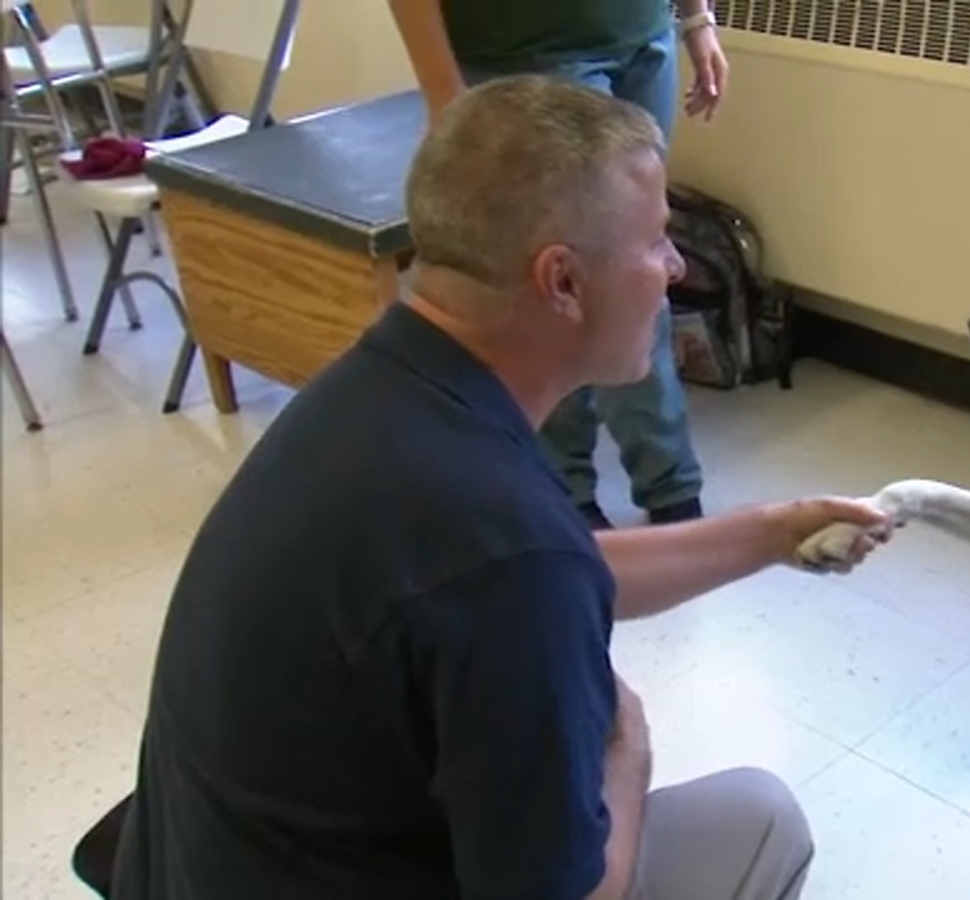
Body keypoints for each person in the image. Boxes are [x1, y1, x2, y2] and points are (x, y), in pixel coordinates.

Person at [108, 76, 889, 900]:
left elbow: (534, 570)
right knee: (760, 818)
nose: (676, 268)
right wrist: (628, 753)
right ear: (562, 281)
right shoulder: (508, 551)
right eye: (657, 240)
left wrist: (771, 531)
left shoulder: (372, 401)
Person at [387, 0, 731, 530]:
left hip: (641, 37)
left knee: (639, 271)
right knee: (563, 288)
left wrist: (696, 19)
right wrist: (445, 99)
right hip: (529, 53)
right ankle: (569, 489)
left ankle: (669, 485)